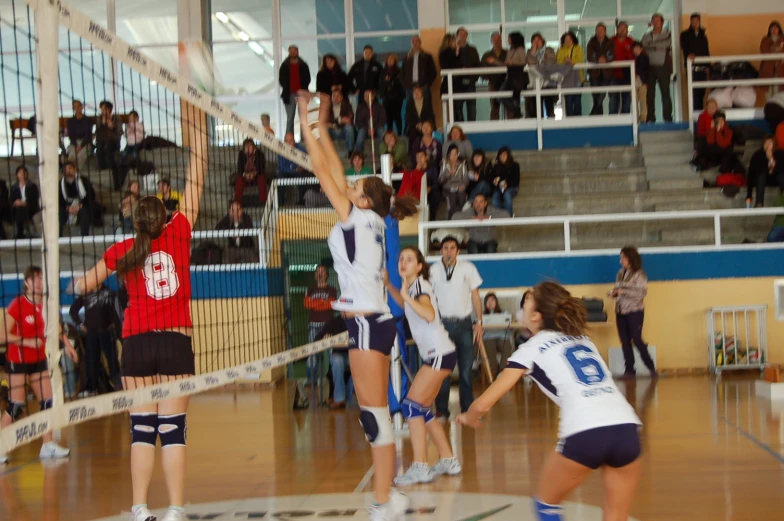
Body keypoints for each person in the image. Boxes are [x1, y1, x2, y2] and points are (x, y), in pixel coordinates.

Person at [72, 119, 206, 521]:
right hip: (175, 342)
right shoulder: (179, 231)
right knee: (173, 430)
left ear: (136, 222)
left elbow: (84, 285)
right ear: (165, 217)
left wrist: (71, 287)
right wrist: (198, 138)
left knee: (142, 430)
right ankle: (176, 510)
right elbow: (195, 185)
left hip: (136, 344)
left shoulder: (122, 250)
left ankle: (139, 508)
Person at [297, 89, 418, 521]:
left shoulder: (354, 216)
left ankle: (383, 502)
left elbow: (322, 170)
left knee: (373, 418)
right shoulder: (372, 218)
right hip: (375, 320)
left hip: (366, 323)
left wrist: (306, 121)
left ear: (363, 200)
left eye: (355, 187)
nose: (349, 184)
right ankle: (393, 495)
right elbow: (337, 169)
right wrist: (324, 127)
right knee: (376, 415)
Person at [458, 281, 643, 521]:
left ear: (536, 317)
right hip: (626, 429)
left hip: (585, 431)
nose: (521, 309)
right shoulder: (583, 339)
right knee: (616, 515)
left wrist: (468, 416)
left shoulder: (531, 347)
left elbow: (484, 403)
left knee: (547, 504)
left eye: (525, 304)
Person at [385, 247, 462, 485]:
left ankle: (420, 466)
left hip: (439, 354)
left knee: (411, 408)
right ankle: (448, 459)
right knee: (424, 410)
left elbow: (428, 314)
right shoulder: (412, 288)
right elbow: (405, 304)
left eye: (409, 259)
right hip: (440, 355)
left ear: (419, 266)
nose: (403, 262)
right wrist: (390, 286)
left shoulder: (419, 286)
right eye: (401, 258)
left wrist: (406, 295)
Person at [0, 266, 77, 464]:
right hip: (17, 361)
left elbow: (57, 329)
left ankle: (47, 445)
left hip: (39, 361)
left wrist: (68, 346)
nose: (38, 283)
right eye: (34, 279)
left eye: (41, 279)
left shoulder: (47, 305)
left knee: (48, 402)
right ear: (26, 282)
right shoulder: (17, 304)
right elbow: (2, 335)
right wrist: (25, 341)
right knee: (16, 406)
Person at [430, 236, 483, 419]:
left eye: (453, 248)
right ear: (441, 250)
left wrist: (479, 322)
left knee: (466, 369)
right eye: (445, 248)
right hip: (442, 325)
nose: (449, 251)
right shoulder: (433, 270)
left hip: (464, 323)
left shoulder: (468, 268)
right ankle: (442, 409)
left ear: (458, 251)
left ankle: (467, 408)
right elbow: (428, 299)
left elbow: (476, 297)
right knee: (443, 370)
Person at [609, 246, 658, 379]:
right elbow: (618, 289)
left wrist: (623, 292)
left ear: (630, 258)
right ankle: (629, 370)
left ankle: (651, 367)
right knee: (624, 341)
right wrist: (614, 293)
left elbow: (642, 293)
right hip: (620, 311)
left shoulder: (639, 274)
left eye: (623, 258)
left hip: (634, 311)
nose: (621, 261)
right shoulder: (620, 273)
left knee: (636, 340)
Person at [303, 265, 337, 386]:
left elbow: (331, 304)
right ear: (315, 275)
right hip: (313, 326)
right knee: (312, 354)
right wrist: (323, 302)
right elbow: (307, 304)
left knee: (333, 354)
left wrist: (316, 303)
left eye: (323, 271)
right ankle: (311, 381)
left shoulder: (332, 290)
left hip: (328, 326)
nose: (320, 274)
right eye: (318, 272)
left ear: (327, 275)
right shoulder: (310, 289)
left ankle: (334, 380)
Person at [641, 13, 673, 123]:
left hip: (663, 66)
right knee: (650, 94)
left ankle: (668, 117)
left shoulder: (668, 34)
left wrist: (652, 45)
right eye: (653, 20)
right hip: (649, 67)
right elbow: (643, 48)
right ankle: (651, 117)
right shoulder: (646, 36)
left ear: (662, 22)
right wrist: (657, 46)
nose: (655, 22)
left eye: (657, 20)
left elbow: (667, 44)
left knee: (665, 92)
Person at [680, 13, 710, 111]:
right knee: (693, 93)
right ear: (690, 22)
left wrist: (708, 66)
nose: (695, 23)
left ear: (699, 21)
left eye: (697, 21)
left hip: (703, 69)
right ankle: (694, 114)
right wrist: (689, 54)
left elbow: (706, 51)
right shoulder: (685, 35)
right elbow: (684, 48)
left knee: (702, 93)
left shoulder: (703, 35)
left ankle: (699, 113)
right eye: (693, 21)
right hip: (692, 69)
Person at [279, 45, 311, 135]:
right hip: (289, 94)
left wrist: (304, 89)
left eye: (295, 51)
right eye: (291, 51)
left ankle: (304, 137)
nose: (293, 53)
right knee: (290, 117)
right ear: (289, 52)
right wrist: (286, 87)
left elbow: (307, 79)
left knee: (303, 117)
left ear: (298, 51)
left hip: (301, 94)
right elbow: (281, 79)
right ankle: (289, 138)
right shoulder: (284, 65)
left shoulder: (303, 65)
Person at [59, 160, 95, 237]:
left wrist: (79, 206)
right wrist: (68, 208)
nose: (68, 171)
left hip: (82, 204)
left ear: (75, 169)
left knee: (84, 211)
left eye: (70, 169)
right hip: (68, 206)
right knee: (59, 212)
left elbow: (91, 195)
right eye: (66, 169)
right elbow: (59, 199)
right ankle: (59, 237)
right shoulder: (60, 183)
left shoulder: (84, 180)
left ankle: (84, 235)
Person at [481, 293, 513, 378]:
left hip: (502, 336)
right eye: (488, 301)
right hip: (488, 337)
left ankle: (502, 372)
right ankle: (494, 372)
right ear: (485, 304)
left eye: (492, 300)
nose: (490, 302)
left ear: (496, 302)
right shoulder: (482, 315)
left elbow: (510, 325)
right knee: (490, 349)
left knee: (506, 347)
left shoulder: (504, 313)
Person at [747, 136, 784, 207]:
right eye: (766, 143)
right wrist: (749, 195)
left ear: (774, 144)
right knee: (761, 176)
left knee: (781, 176)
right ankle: (759, 203)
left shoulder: (780, 154)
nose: (767, 145)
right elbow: (751, 174)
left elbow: (781, 169)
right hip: (761, 180)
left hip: (776, 180)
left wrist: (771, 159)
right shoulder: (757, 155)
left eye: (770, 143)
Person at [438, 144, 469, 219]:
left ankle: (464, 220)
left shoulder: (462, 164)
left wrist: (463, 186)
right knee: (452, 198)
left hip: (459, 187)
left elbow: (466, 179)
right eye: (451, 154)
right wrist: (448, 174)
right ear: (448, 155)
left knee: (462, 196)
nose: (454, 156)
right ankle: (451, 220)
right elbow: (440, 180)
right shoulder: (444, 164)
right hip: (448, 188)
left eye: (455, 154)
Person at [234, 138, 268, 206]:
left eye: (250, 145)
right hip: (245, 177)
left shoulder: (259, 154)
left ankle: (264, 202)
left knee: (261, 179)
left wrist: (254, 174)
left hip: (256, 176)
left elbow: (261, 168)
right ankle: (237, 203)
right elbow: (240, 169)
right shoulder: (241, 154)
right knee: (239, 180)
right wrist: (245, 174)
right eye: (246, 146)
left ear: (254, 146)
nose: (248, 148)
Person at [10, 165, 41, 239]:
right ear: (17, 175)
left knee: (22, 209)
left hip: (31, 208)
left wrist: (25, 203)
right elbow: (11, 200)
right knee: (19, 209)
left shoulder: (33, 186)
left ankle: (20, 233)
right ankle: (24, 232)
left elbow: (34, 199)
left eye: (24, 172)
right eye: (20, 172)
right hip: (18, 209)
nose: (22, 174)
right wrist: (16, 202)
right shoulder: (14, 187)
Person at [490, 146, 520, 217]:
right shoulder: (496, 166)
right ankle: (502, 216)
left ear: (508, 155)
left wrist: (507, 184)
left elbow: (516, 180)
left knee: (507, 195)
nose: (502, 157)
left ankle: (509, 216)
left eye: (504, 155)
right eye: (500, 155)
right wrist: (494, 181)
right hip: (499, 188)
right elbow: (492, 178)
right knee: (494, 199)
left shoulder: (515, 165)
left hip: (512, 187)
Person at [379, 53, 405, 135]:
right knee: (388, 117)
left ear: (395, 61)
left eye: (392, 59)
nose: (390, 61)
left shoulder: (399, 71)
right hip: (387, 98)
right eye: (389, 59)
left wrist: (392, 80)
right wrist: (386, 81)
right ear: (386, 61)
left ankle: (400, 134)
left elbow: (401, 83)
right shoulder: (383, 72)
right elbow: (380, 84)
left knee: (397, 116)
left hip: (397, 97)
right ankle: (389, 134)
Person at [760, 22, 784, 96]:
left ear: (779, 30)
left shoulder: (783, 39)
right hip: (768, 69)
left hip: (780, 69)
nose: (774, 30)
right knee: (768, 92)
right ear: (769, 30)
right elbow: (764, 51)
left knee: (779, 91)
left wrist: (778, 49)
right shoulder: (765, 40)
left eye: (776, 28)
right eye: (772, 28)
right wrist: (775, 49)